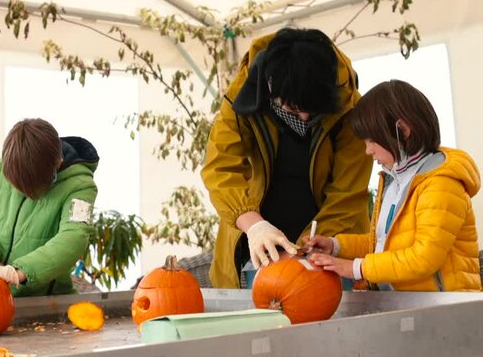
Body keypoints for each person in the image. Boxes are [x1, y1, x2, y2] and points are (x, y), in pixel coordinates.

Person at [201, 27, 373, 289]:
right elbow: (220, 168)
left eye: (313, 110)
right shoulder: (243, 97)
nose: (304, 118)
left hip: (329, 244)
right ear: (271, 86)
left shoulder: (350, 108)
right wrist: (255, 226)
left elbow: (347, 195)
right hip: (256, 245)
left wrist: (306, 247)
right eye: (293, 108)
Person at [307, 80, 481, 291]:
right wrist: (336, 245)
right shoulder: (395, 181)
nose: (367, 151)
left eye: (372, 141)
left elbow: (423, 257)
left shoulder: (440, 184)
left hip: (445, 311)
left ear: (403, 130)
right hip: (412, 307)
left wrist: (356, 268)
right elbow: (382, 244)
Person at [0, 118, 99, 296]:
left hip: (45, 301)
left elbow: (74, 238)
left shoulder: (81, 187)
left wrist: (20, 273)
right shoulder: (1, 170)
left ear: (58, 163)